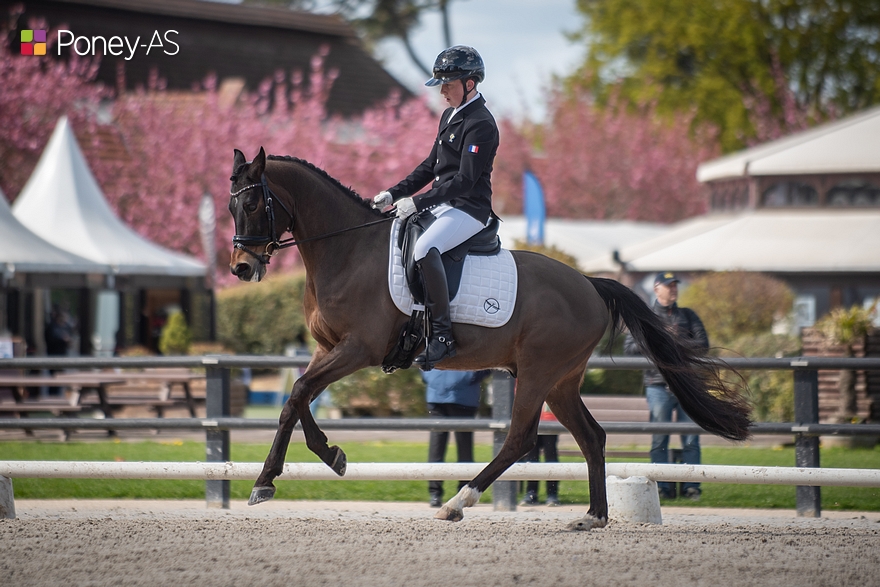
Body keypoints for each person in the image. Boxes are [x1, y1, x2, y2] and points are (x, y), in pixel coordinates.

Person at [372, 45, 500, 370]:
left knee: (425, 247)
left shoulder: (482, 123)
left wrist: (417, 201)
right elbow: (430, 167)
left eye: (448, 84)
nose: (442, 91)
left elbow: (465, 181)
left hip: (469, 209)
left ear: (470, 84)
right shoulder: (449, 115)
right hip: (445, 204)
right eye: (441, 84)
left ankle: (442, 335)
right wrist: (393, 193)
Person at [624, 272, 708, 501]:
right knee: (659, 439)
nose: (674, 289)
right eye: (669, 286)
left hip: (686, 386)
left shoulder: (688, 316)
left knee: (691, 438)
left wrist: (673, 341)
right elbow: (629, 349)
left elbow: (703, 345)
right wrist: (660, 340)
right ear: (656, 288)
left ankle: (692, 487)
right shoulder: (645, 317)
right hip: (657, 385)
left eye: (675, 285)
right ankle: (661, 487)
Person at [423, 369, 491, 507]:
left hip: (446, 393)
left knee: (442, 446)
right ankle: (458, 492)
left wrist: (430, 377)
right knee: (457, 447)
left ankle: (438, 493)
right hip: (458, 395)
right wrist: (472, 376)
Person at [520, 403, 560, 506]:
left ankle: (552, 494)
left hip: (550, 420)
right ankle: (531, 492)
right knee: (531, 457)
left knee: (551, 457)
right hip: (532, 420)